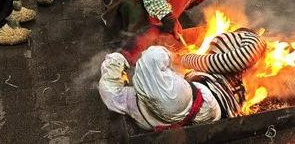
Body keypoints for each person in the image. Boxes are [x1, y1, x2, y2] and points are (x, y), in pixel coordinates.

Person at [98, 29, 266, 129]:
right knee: (113, 95)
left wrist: (180, 58)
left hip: (202, 98)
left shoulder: (251, 38)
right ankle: (115, 61)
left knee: (153, 56)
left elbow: (243, 56)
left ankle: (116, 61)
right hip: (184, 109)